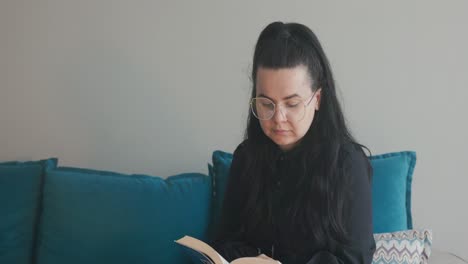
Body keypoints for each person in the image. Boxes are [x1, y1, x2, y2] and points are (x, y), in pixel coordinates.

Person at [210, 21, 376, 264]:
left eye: (292, 103)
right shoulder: (246, 158)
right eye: (266, 103)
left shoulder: (347, 165)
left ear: (317, 99)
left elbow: (356, 259)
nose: (278, 118)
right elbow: (224, 242)